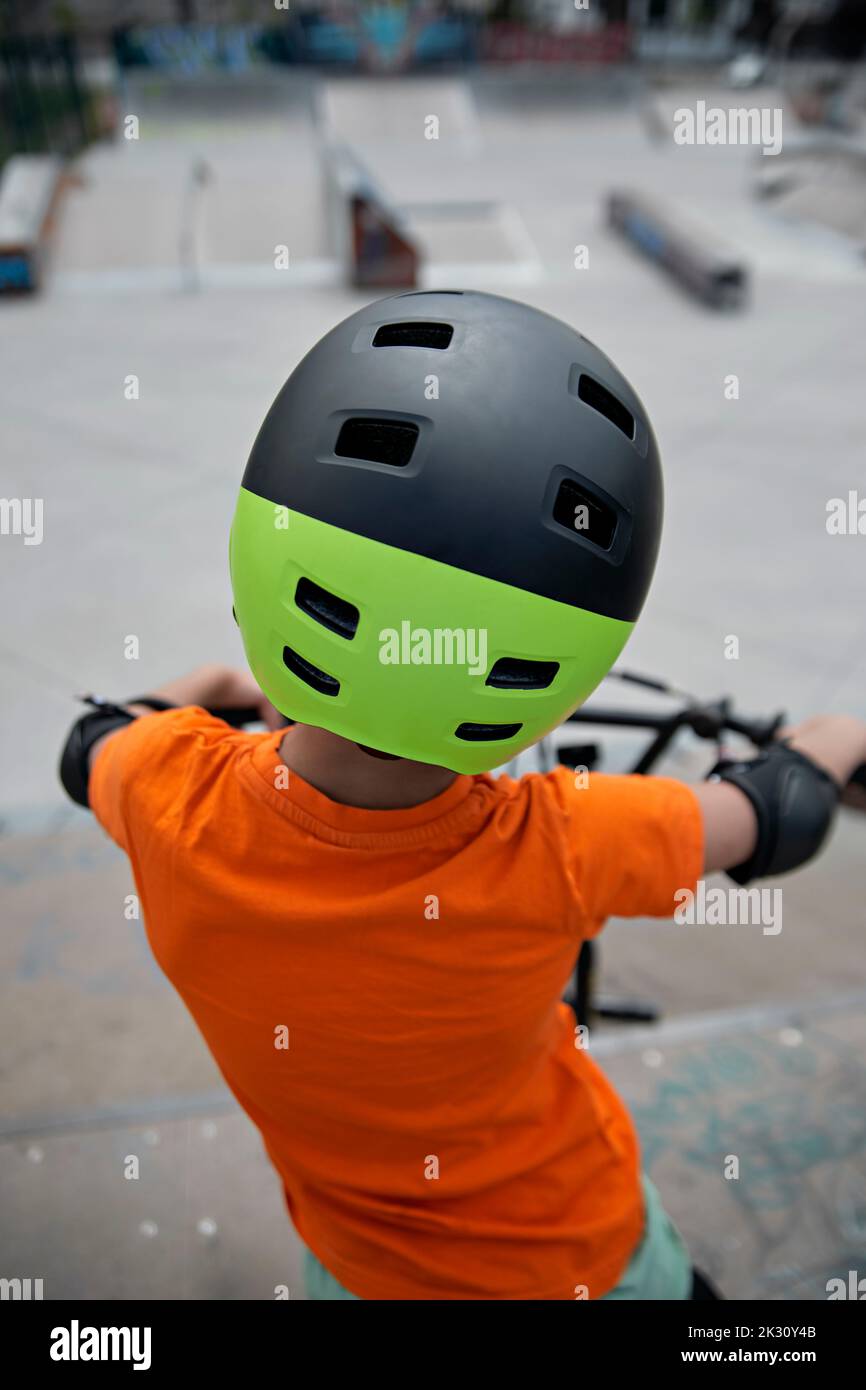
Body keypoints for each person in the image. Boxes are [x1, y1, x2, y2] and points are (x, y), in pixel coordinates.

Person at [60, 292, 866, 1300]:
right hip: (575, 1262)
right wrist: (838, 739)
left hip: (355, 1273)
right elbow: (779, 813)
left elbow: (89, 739)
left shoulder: (160, 784)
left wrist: (220, 688)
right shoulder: (564, 842)